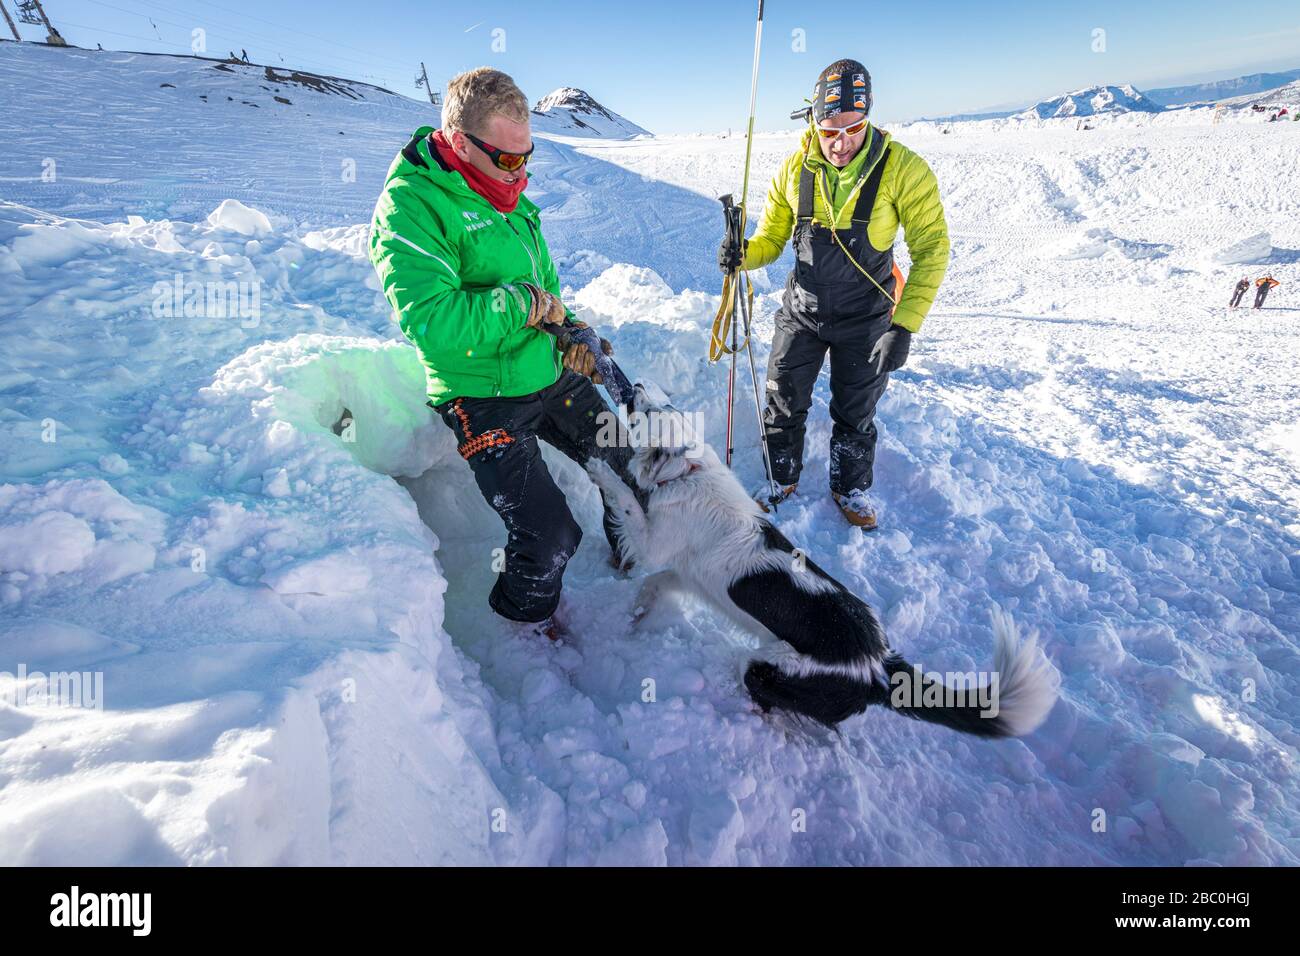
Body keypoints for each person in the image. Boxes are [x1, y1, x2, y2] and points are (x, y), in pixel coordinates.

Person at [369, 67, 638, 638]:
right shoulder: (411, 207)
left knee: (625, 462)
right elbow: (432, 322)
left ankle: (632, 559)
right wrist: (519, 304)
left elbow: (545, 291)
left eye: (528, 156)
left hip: (544, 370)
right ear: (460, 143)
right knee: (549, 535)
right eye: (509, 159)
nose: (522, 173)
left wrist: (572, 332)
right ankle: (524, 630)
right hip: (480, 393)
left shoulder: (506, 190)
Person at [718, 58, 950, 530]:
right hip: (802, 311)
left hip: (866, 318)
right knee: (782, 397)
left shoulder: (904, 170)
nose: (841, 143)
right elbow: (772, 240)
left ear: (869, 119)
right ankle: (780, 477)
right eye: (829, 130)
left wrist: (904, 326)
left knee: (855, 408)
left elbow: (933, 250)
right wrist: (744, 254)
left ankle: (850, 486)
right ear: (812, 122)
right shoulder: (792, 172)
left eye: (853, 128)